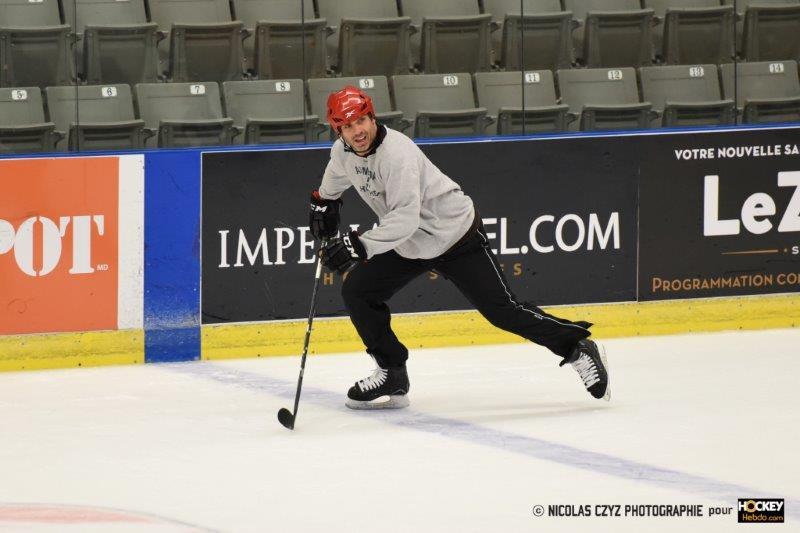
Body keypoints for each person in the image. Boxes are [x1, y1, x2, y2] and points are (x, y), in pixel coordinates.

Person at [309, 86, 610, 410]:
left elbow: (405, 218)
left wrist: (359, 246)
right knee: (358, 291)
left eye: (362, 121)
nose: (358, 131)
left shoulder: (398, 155)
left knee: (502, 312)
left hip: (454, 235)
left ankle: (576, 346)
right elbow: (332, 186)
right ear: (338, 130)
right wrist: (323, 205)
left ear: (372, 117)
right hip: (410, 245)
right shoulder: (342, 153)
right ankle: (392, 372)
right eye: (348, 126)